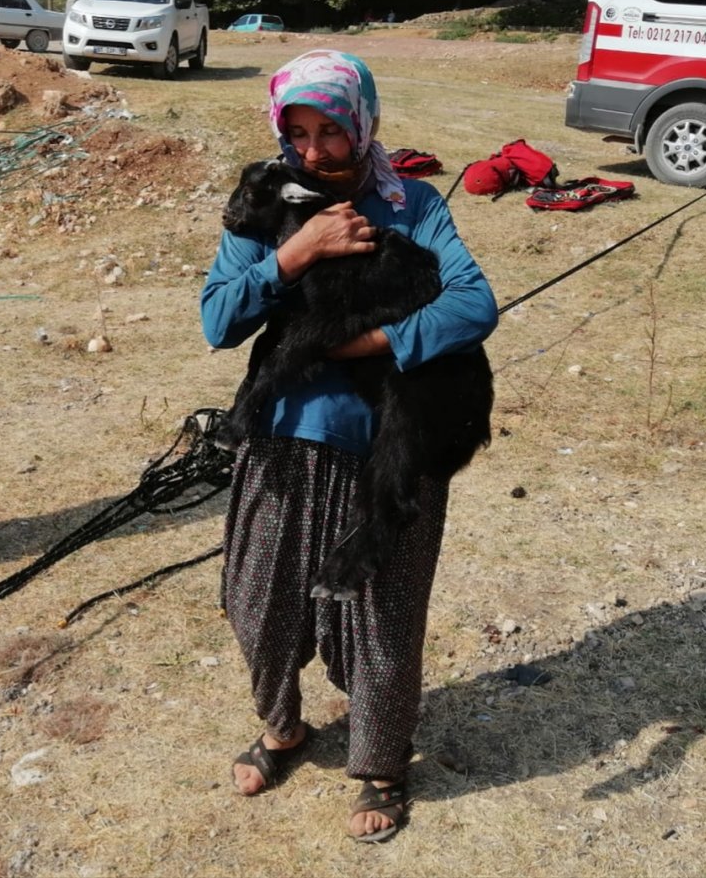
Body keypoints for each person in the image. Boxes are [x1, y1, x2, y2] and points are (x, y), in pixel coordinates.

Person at [200, 49, 498, 841]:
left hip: (387, 445)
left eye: (332, 130)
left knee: (385, 618)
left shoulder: (414, 202)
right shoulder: (267, 203)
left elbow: (474, 306)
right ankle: (282, 726)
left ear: (362, 123)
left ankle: (379, 764)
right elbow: (216, 320)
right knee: (255, 602)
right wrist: (295, 255)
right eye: (297, 131)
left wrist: (372, 342)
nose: (314, 149)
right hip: (286, 438)